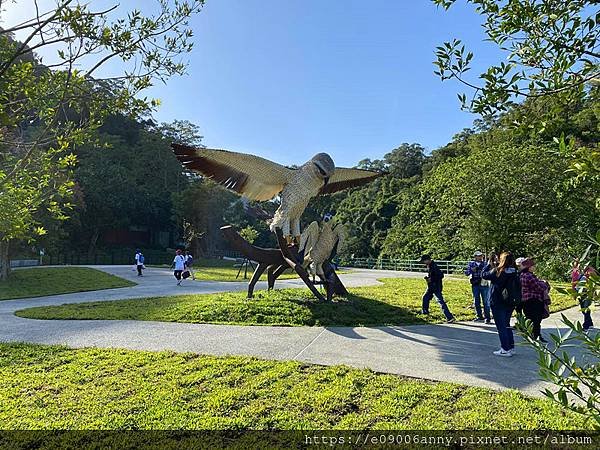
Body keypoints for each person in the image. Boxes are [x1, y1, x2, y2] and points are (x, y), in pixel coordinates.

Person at [483, 251, 520, 357]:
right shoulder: (515, 272)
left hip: (497, 301)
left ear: (502, 260)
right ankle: (511, 347)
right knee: (507, 324)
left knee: (501, 326)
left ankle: (505, 348)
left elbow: (484, 275)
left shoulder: (498, 271)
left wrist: (489, 263)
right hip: (510, 302)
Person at [519, 258, 550, 342]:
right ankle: (535, 336)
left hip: (525, 300)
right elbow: (539, 288)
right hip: (534, 300)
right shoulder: (530, 276)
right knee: (536, 320)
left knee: (529, 319)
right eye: (533, 266)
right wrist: (544, 284)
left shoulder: (521, 275)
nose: (534, 267)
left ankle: (530, 335)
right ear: (529, 267)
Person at [419, 254, 455, 323]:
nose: (423, 262)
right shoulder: (430, 265)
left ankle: (449, 317)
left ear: (428, 260)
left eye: (424, 261)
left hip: (436, 287)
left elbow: (441, 275)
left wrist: (431, 279)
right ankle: (425, 312)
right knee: (425, 298)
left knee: (440, 301)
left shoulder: (434, 266)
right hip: (431, 286)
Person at [465, 251, 490, 322]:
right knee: (476, 301)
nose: (480, 257)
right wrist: (471, 270)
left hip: (484, 284)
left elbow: (489, 273)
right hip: (475, 284)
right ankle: (479, 316)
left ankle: (487, 318)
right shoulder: (471, 264)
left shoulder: (485, 264)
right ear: (475, 257)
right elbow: (466, 273)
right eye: (478, 256)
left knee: (486, 302)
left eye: (481, 256)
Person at [576, 265, 596, 332]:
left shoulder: (590, 275)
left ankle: (586, 326)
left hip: (587, 295)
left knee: (586, 310)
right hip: (581, 295)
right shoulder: (582, 275)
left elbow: (592, 286)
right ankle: (590, 323)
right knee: (584, 310)